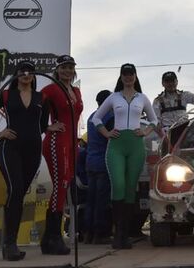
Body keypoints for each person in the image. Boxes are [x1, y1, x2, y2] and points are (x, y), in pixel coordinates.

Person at [0, 61, 57, 261]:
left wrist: (49, 128)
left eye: (30, 70)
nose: (26, 73)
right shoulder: (6, 95)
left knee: (19, 193)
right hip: (9, 149)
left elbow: (40, 126)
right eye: (22, 70)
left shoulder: (43, 97)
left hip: (32, 150)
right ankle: (10, 243)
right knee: (15, 189)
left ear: (34, 75)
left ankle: (9, 242)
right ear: (17, 74)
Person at [91, 63, 158, 249]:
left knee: (130, 189)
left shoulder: (142, 98)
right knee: (118, 185)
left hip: (136, 146)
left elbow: (154, 119)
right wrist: (106, 133)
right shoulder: (114, 97)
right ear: (120, 77)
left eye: (131, 74)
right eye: (125, 74)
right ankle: (118, 234)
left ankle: (124, 234)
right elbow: (96, 118)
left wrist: (145, 131)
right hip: (116, 146)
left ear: (136, 76)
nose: (128, 77)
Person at [40, 54, 84, 255]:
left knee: (65, 184)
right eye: (63, 67)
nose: (67, 70)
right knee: (60, 185)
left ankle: (49, 239)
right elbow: (35, 111)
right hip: (57, 142)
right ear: (57, 70)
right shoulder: (50, 89)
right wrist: (47, 127)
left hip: (72, 142)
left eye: (70, 67)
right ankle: (53, 237)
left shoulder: (76, 90)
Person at [84, 90, 114, 245]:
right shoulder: (108, 117)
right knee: (102, 201)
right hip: (103, 163)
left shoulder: (91, 117)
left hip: (90, 163)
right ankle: (100, 234)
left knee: (91, 200)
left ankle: (87, 233)